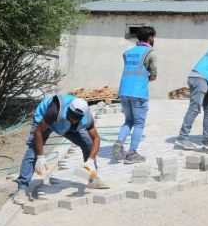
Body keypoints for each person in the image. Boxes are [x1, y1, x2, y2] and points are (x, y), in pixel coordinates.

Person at [12, 94, 108, 205]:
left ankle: (93, 179)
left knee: (88, 143)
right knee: (33, 152)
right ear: (69, 110)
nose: (74, 120)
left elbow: (96, 138)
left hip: (65, 125)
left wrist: (91, 160)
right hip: (45, 120)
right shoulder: (55, 110)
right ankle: (21, 189)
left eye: (77, 118)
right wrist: (40, 157)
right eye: (72, 116)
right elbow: (38, 131)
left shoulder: (86, 117)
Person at [112, 26, 157, 164]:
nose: (154, 39)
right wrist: (145, 79)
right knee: (139, 123)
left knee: (128, 120)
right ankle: (132, 153)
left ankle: (120, 142)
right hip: (138, 93)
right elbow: (153, 75)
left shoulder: (128, 53)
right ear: (150, 37)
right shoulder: (150, 53)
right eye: (153, 37)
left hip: (124, 92)